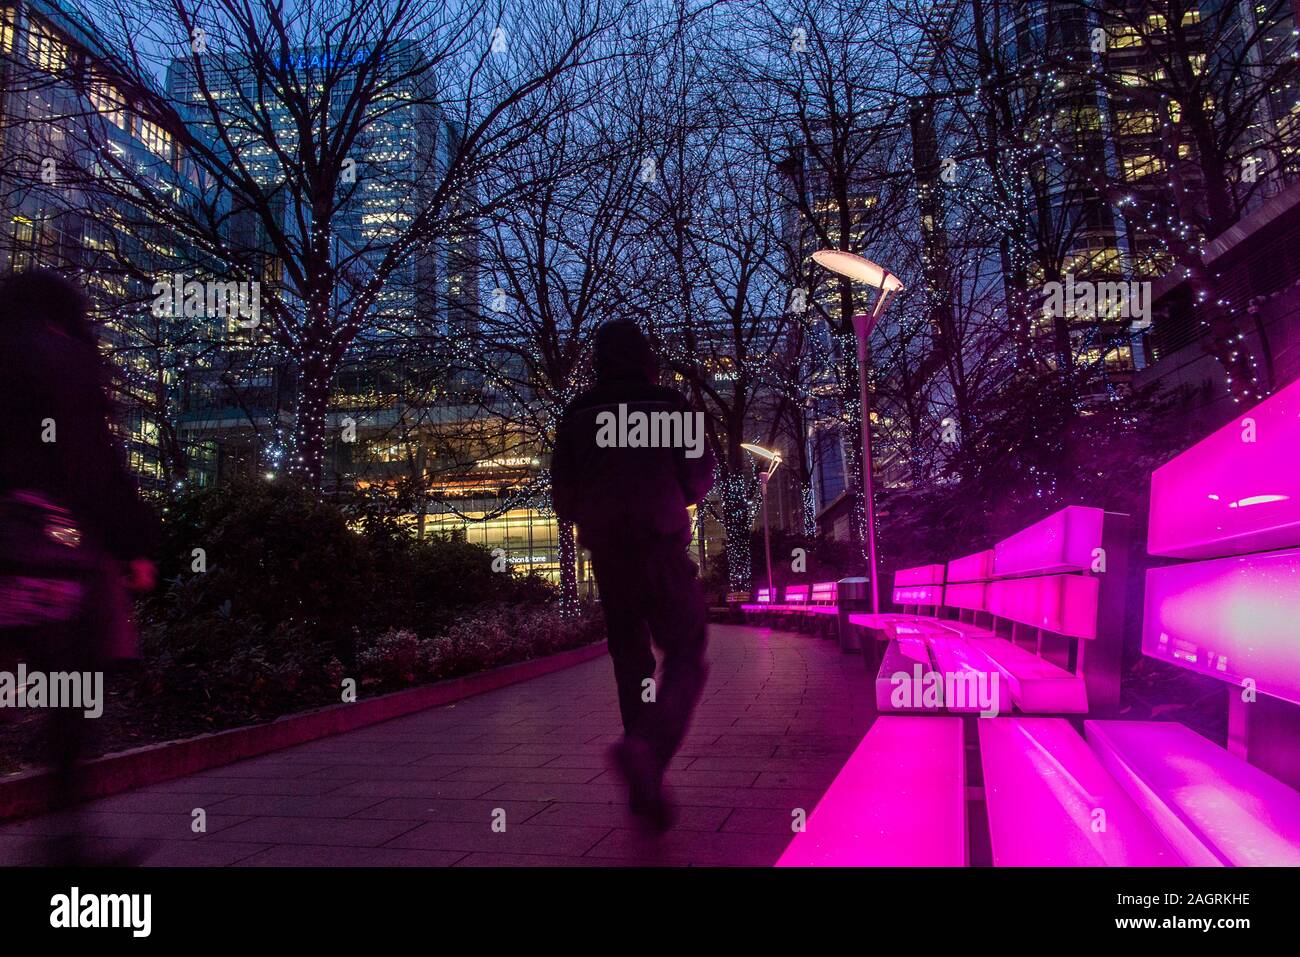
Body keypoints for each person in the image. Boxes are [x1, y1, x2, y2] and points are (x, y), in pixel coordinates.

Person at [0, 270, 158, 864]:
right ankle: (64, 839)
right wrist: (133, 543)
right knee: (71, 686)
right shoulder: (61, 358)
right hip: (50, 552)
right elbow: (89, 459)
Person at [550, 320, 715, 829]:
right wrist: (668, 496)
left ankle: (645, 785)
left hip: (610, 556)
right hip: (661, 546)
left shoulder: (576, 416)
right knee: (687, 652)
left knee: (632, 662)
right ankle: (647, 750)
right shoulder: (672, 408)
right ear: (646, 358)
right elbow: (699, 478)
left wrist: (598, 515)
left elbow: (563, 495)